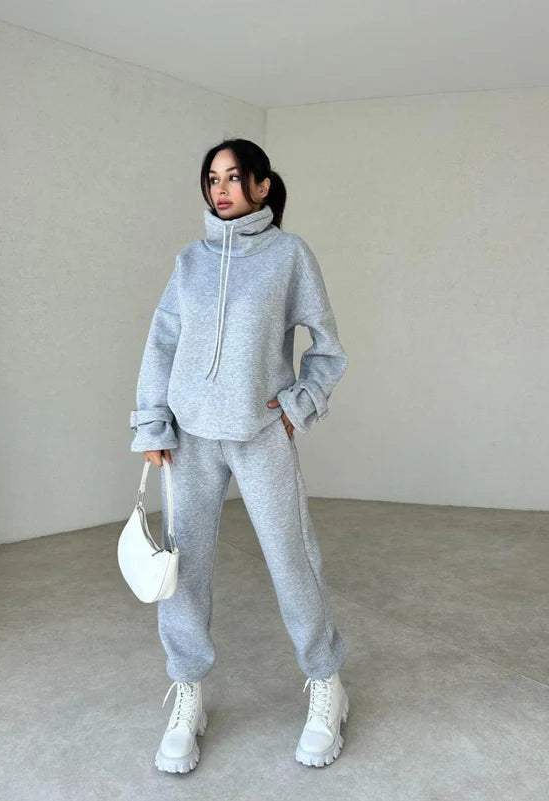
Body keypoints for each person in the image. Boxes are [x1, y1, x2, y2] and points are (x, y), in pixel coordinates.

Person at [129, 138, 350, 773]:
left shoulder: (289, 255)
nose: (220, 189)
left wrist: (297, 405)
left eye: (232, 177)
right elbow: (162, 343)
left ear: (261, 185)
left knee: (292, 559)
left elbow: (327, 347)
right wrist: (154, 424)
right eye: (212, 178)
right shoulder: (189, 261)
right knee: (184, 569)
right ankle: (189, 695)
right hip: (190, 439)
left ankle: (327, 683)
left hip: (260, 433)